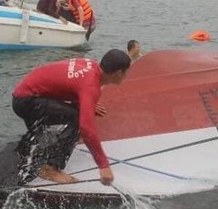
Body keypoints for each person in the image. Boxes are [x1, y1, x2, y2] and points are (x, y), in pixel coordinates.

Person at [11, 49, 131, 184]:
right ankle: (50, 168)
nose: (126, 75)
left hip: (25, 94)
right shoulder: (91, 86)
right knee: (77, 117)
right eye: (126, 71)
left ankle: (33, 153)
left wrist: (86, 103)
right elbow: (86, 128)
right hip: (26, 102)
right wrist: (103, 166)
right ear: (119, 72)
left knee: (75, 113)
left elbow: (66, 80)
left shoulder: (90, 65)